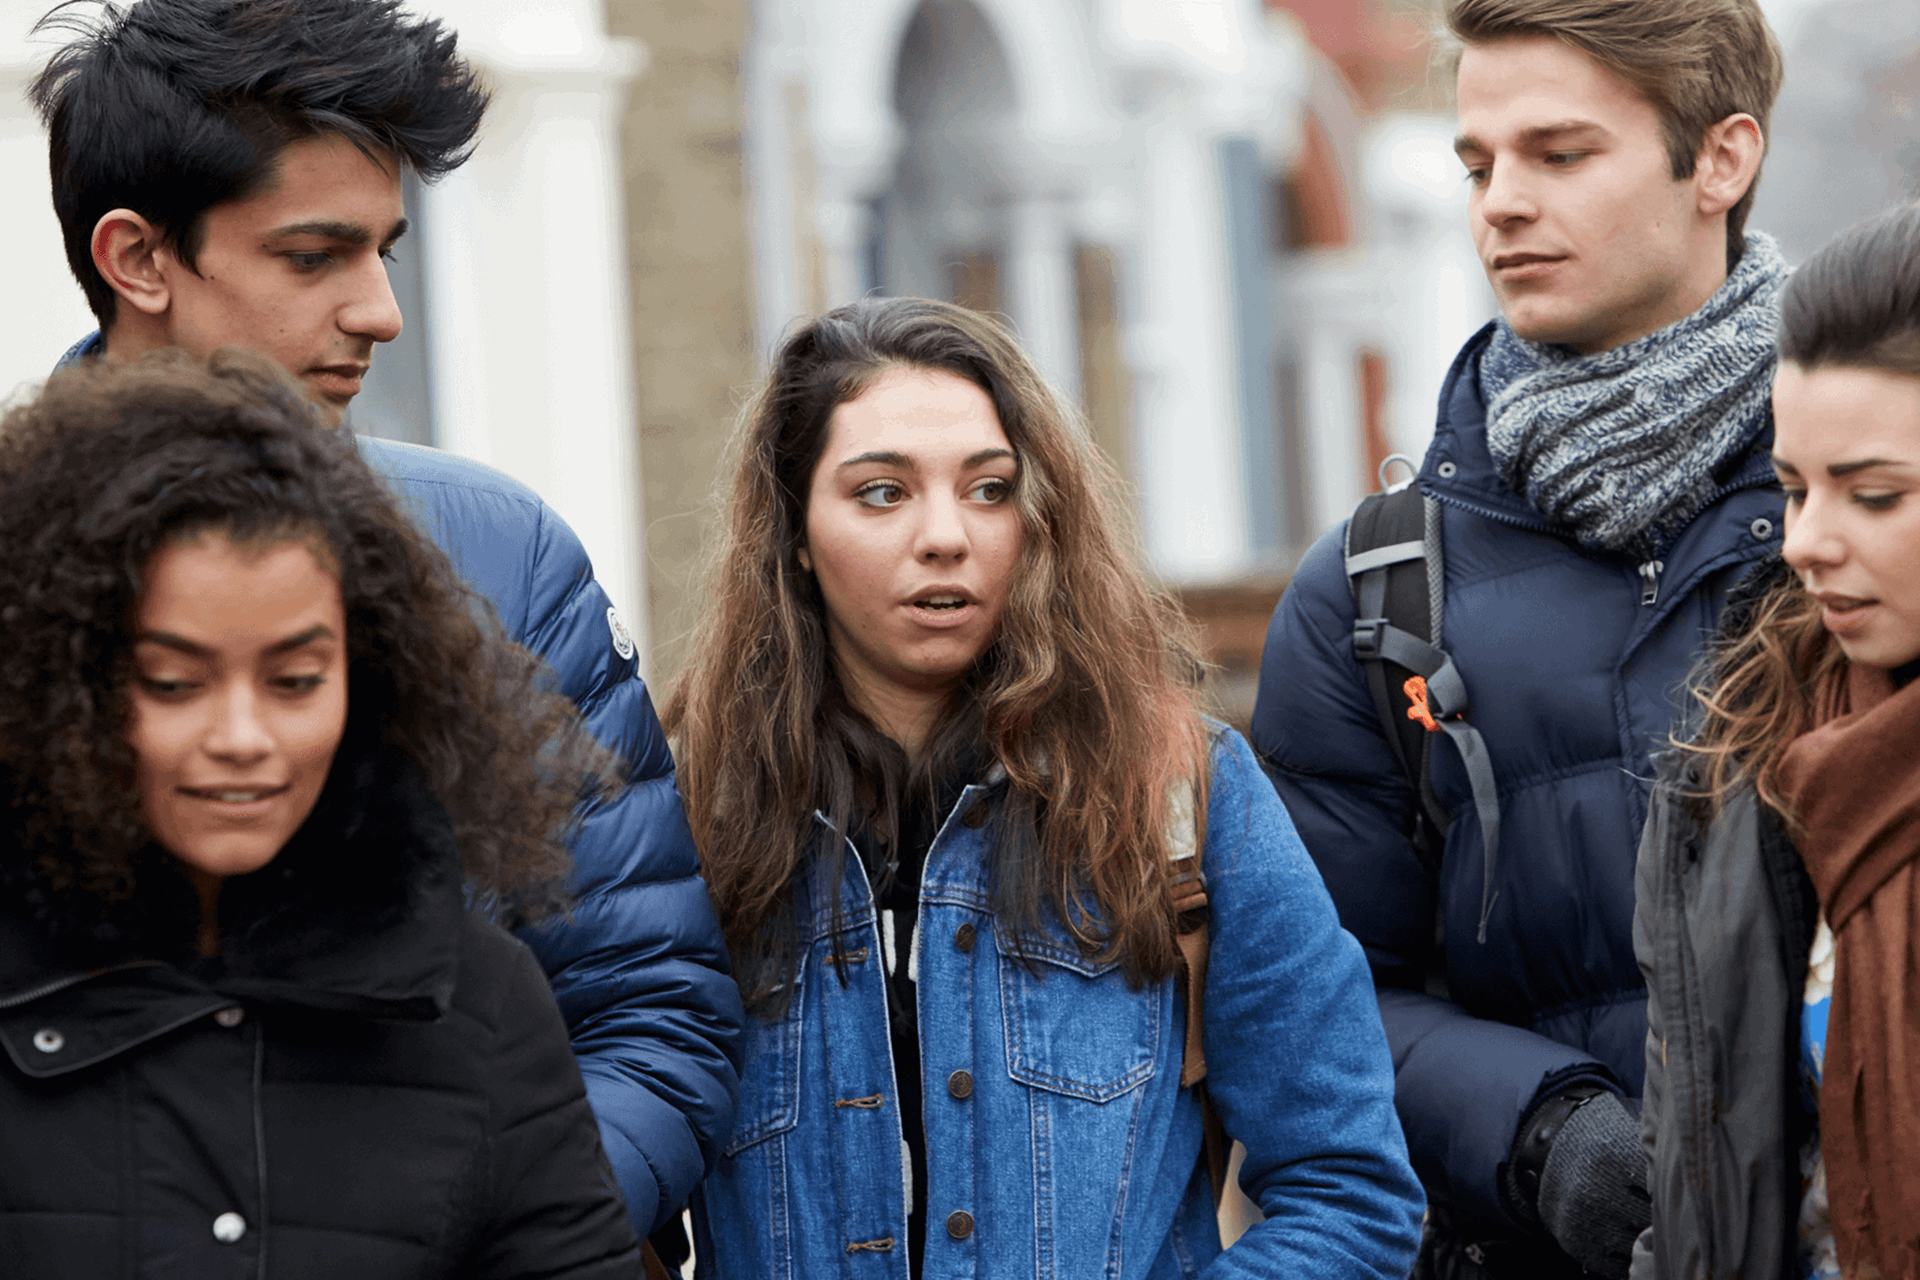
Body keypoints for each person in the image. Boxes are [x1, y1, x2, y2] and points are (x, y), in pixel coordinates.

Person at [28, 0, 741, 1241]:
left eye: (384, 253)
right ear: (138, 258)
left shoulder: (502, 563)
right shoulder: (13, 562)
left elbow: (650, 1006)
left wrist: (497, 1240)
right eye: (314, 257)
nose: (380, 312)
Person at [662, 295, 1424, 1277]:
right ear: (795, 530)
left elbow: (1350, 1189)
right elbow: (599, 1206)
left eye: (989, 489)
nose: (945, 535)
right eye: (882, 493)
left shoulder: (1177, 792)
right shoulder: (689, 821)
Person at [1250, 1, 1788, 1275]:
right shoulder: (1372, 594)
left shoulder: (1869, 517)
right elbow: (1317, 993)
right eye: (1479, 164)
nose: (1501, 204)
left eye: (1560, 153)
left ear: (1721, 158)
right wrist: (1540, 1128)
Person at [0, 350, 640, 1276]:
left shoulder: (485, 1005)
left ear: (369, 679)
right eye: (173, 682)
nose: (242, 737)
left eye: (295, 681)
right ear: (60, 683)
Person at [1635, 204, 1920, 1280]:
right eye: (1794, 489)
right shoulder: (1747, 745)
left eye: (1873, 494)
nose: (1805, 541)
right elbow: (1693, 1179)